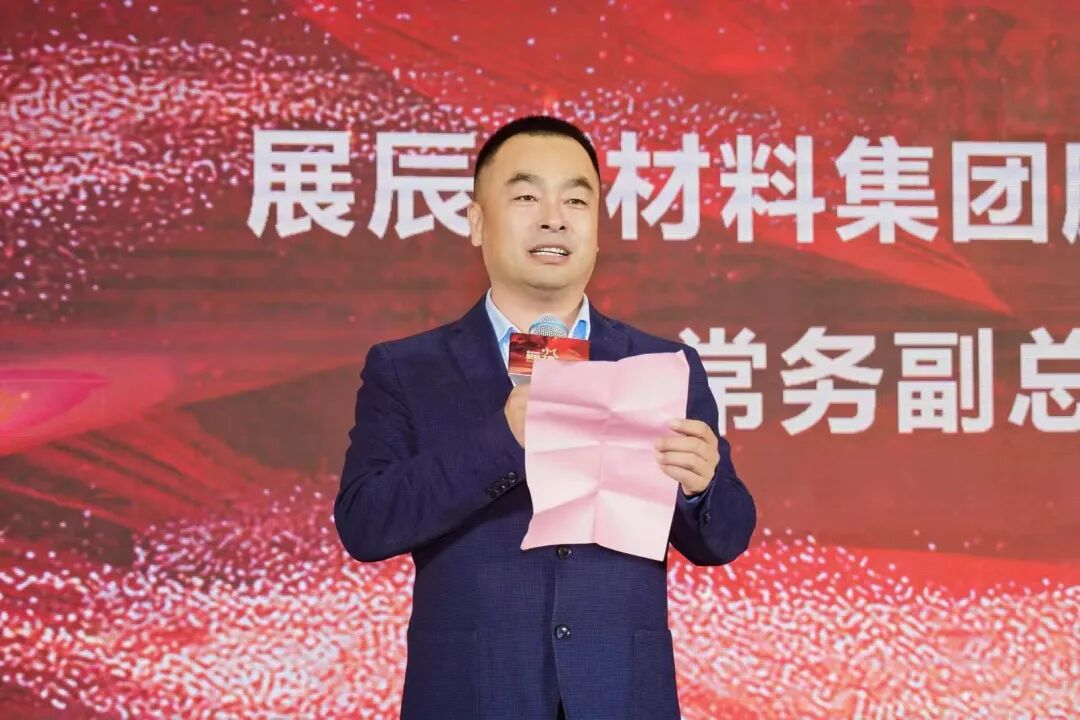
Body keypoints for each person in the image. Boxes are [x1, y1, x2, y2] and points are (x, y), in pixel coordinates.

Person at [335, 116, 756, 720]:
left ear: (597, 229)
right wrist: (504, 438)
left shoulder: (662, 365)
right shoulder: (408, 369)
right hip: (472, 696)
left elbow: (725, 537)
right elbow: (365, 524)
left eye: (576, 200)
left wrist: (701, 486)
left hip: (619, 695)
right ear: (477, 221)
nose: (554, 218)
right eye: (527, 197)